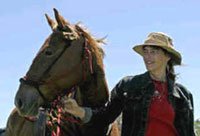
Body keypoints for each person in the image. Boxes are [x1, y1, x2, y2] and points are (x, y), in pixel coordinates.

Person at [62, 32, 196, 136]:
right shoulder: (128, 86)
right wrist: (79, 111)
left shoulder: (183, 95)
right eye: (145, 52)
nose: (147, 57)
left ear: (167, 57)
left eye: (153, 52)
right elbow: (105, 117)